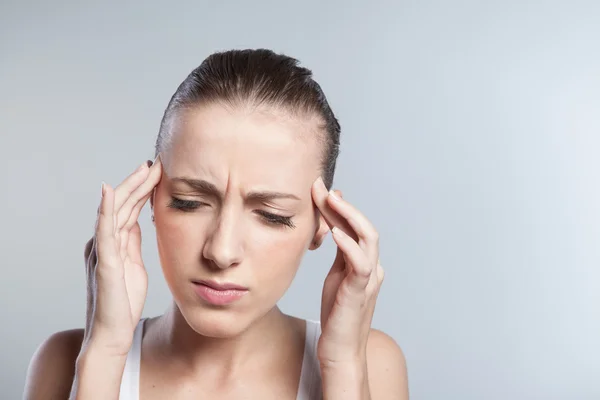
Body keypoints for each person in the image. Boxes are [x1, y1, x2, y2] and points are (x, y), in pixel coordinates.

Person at [23, 48, 408, 399]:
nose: (221, 252)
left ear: (325, 223)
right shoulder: (64, 360)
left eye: (272, 215)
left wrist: (342, 367)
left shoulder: (372, 362)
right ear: (150, 199)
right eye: (190, 203)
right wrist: (104, 354)